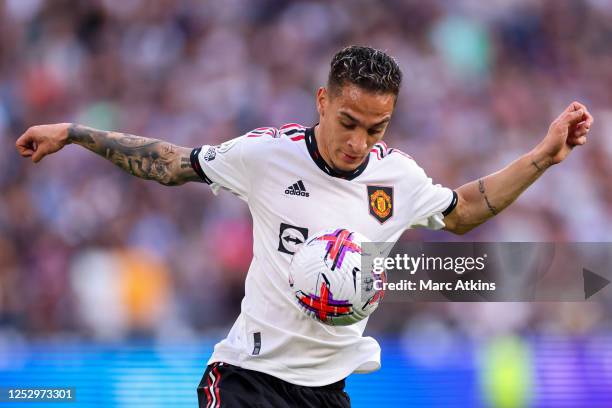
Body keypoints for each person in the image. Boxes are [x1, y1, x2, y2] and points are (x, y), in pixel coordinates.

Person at [15, 45, 593, 407]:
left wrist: (541, 156)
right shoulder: (266, 156)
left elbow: (463, 210)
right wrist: (74, 132)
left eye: (375, 127)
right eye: (348, 122)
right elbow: (170, 164)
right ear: (322, 101)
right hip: (246, 378)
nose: (358, 142)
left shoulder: (399, 177)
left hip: (326, 392)